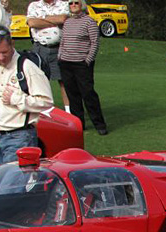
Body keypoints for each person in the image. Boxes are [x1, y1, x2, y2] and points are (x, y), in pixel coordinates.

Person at [0, 26, 53, 164]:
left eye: (5, 52)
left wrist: (17, 99)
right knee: (10, 181)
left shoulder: (27, 67)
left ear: (12, 44)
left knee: (13, 184)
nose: (1, 58)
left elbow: (46, 101)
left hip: (21, 137)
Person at [59, 0, 106, 134]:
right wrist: (60, 56)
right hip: (65, 63)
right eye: (71, 3)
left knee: (88, 94)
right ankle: (79, 126)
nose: (73, 5)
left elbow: (95, 42)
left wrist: (87, 60)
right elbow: (63, 41)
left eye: (76, 2)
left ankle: (100, 124)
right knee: (72, 95)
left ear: (82, 5)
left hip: (82, 64)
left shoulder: (89, 21)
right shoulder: (67, 22)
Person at [26, 0, 69, 108]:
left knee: (65, 82)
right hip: (40, 48)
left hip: (60, 48)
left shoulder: (64, 4)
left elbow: (63, 19)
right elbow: (32, 23)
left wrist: (41, 19)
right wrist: (54, 21)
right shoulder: (34, 6)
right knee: (40, 82)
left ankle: (69, 112)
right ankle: (44, 112)